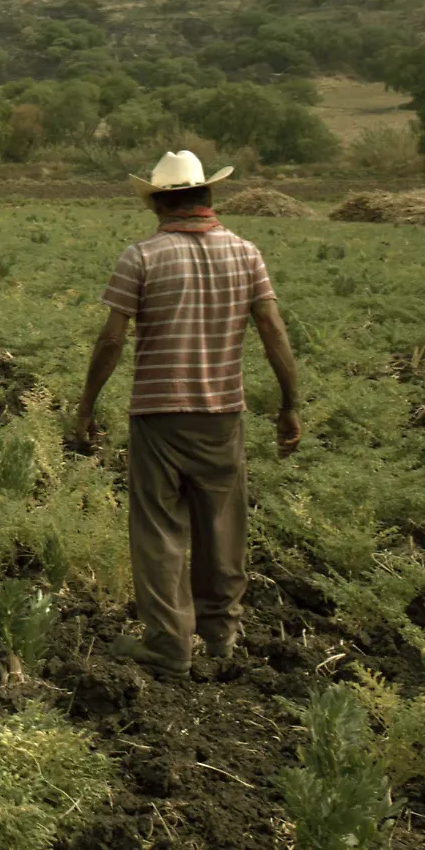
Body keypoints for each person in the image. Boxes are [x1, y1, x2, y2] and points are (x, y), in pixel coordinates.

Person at [74, 151, 301, 679]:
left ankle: (168, 644)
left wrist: (86, 405)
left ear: (158, 203)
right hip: (223, 415)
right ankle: (220, 632)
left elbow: (112, 339)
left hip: (158, 414)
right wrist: (289, 405)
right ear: (208, 198)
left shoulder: (142, 257)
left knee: (159, 529)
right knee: (223, 523)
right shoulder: (246, 254)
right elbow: (273, 331)